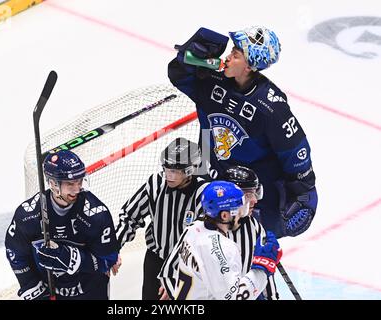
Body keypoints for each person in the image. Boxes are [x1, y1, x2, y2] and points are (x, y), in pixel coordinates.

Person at [168, 26, 318, 238]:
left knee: (243, 257)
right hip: (210, 180)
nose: (228, 57)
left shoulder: (270, 106)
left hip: (250, 197)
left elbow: (295, 152)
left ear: (249, 65)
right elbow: (177, 75)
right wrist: (187, 58)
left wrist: (304, 190)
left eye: (235, 55)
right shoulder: (212, 80)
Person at [5, 150, 119, 300]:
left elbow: (108, 260)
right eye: (70, 183)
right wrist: (34, 290)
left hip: (91, 292)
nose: (77, 189)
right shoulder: (27, 216)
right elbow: (15, 254)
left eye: (79, 181)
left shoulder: (96, 214)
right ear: (52, 183)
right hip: (50, 293)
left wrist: (73, 259)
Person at [159, 165, 279, 300]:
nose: (254, 200)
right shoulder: (222, 246)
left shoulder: (193, 229)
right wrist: (262, 269)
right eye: (246, 196)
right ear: (225, 214)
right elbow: (233, 296)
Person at [115, 137, 209, 300]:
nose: (168, 176)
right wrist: (112, 249)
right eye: (166, 169)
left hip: (187, 266)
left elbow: (200, 242)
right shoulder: (155, 183)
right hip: (155, 261)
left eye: (175, 171)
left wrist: (172, 274)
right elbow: (129, 217)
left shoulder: (204, 193)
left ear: (189, 170)